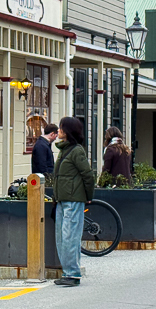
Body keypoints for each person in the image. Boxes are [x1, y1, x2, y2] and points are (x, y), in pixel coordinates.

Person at [53, 117, 94, 286]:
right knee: (61, 237)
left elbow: (87, 174)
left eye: (61, 128)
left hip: (73, 200)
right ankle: (68, 272)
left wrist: (88, 197)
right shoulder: (64, 150)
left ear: (68, 131)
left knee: (70, 237)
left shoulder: (76, 151)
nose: (58, 131)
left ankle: (72, 273)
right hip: (62, 200)